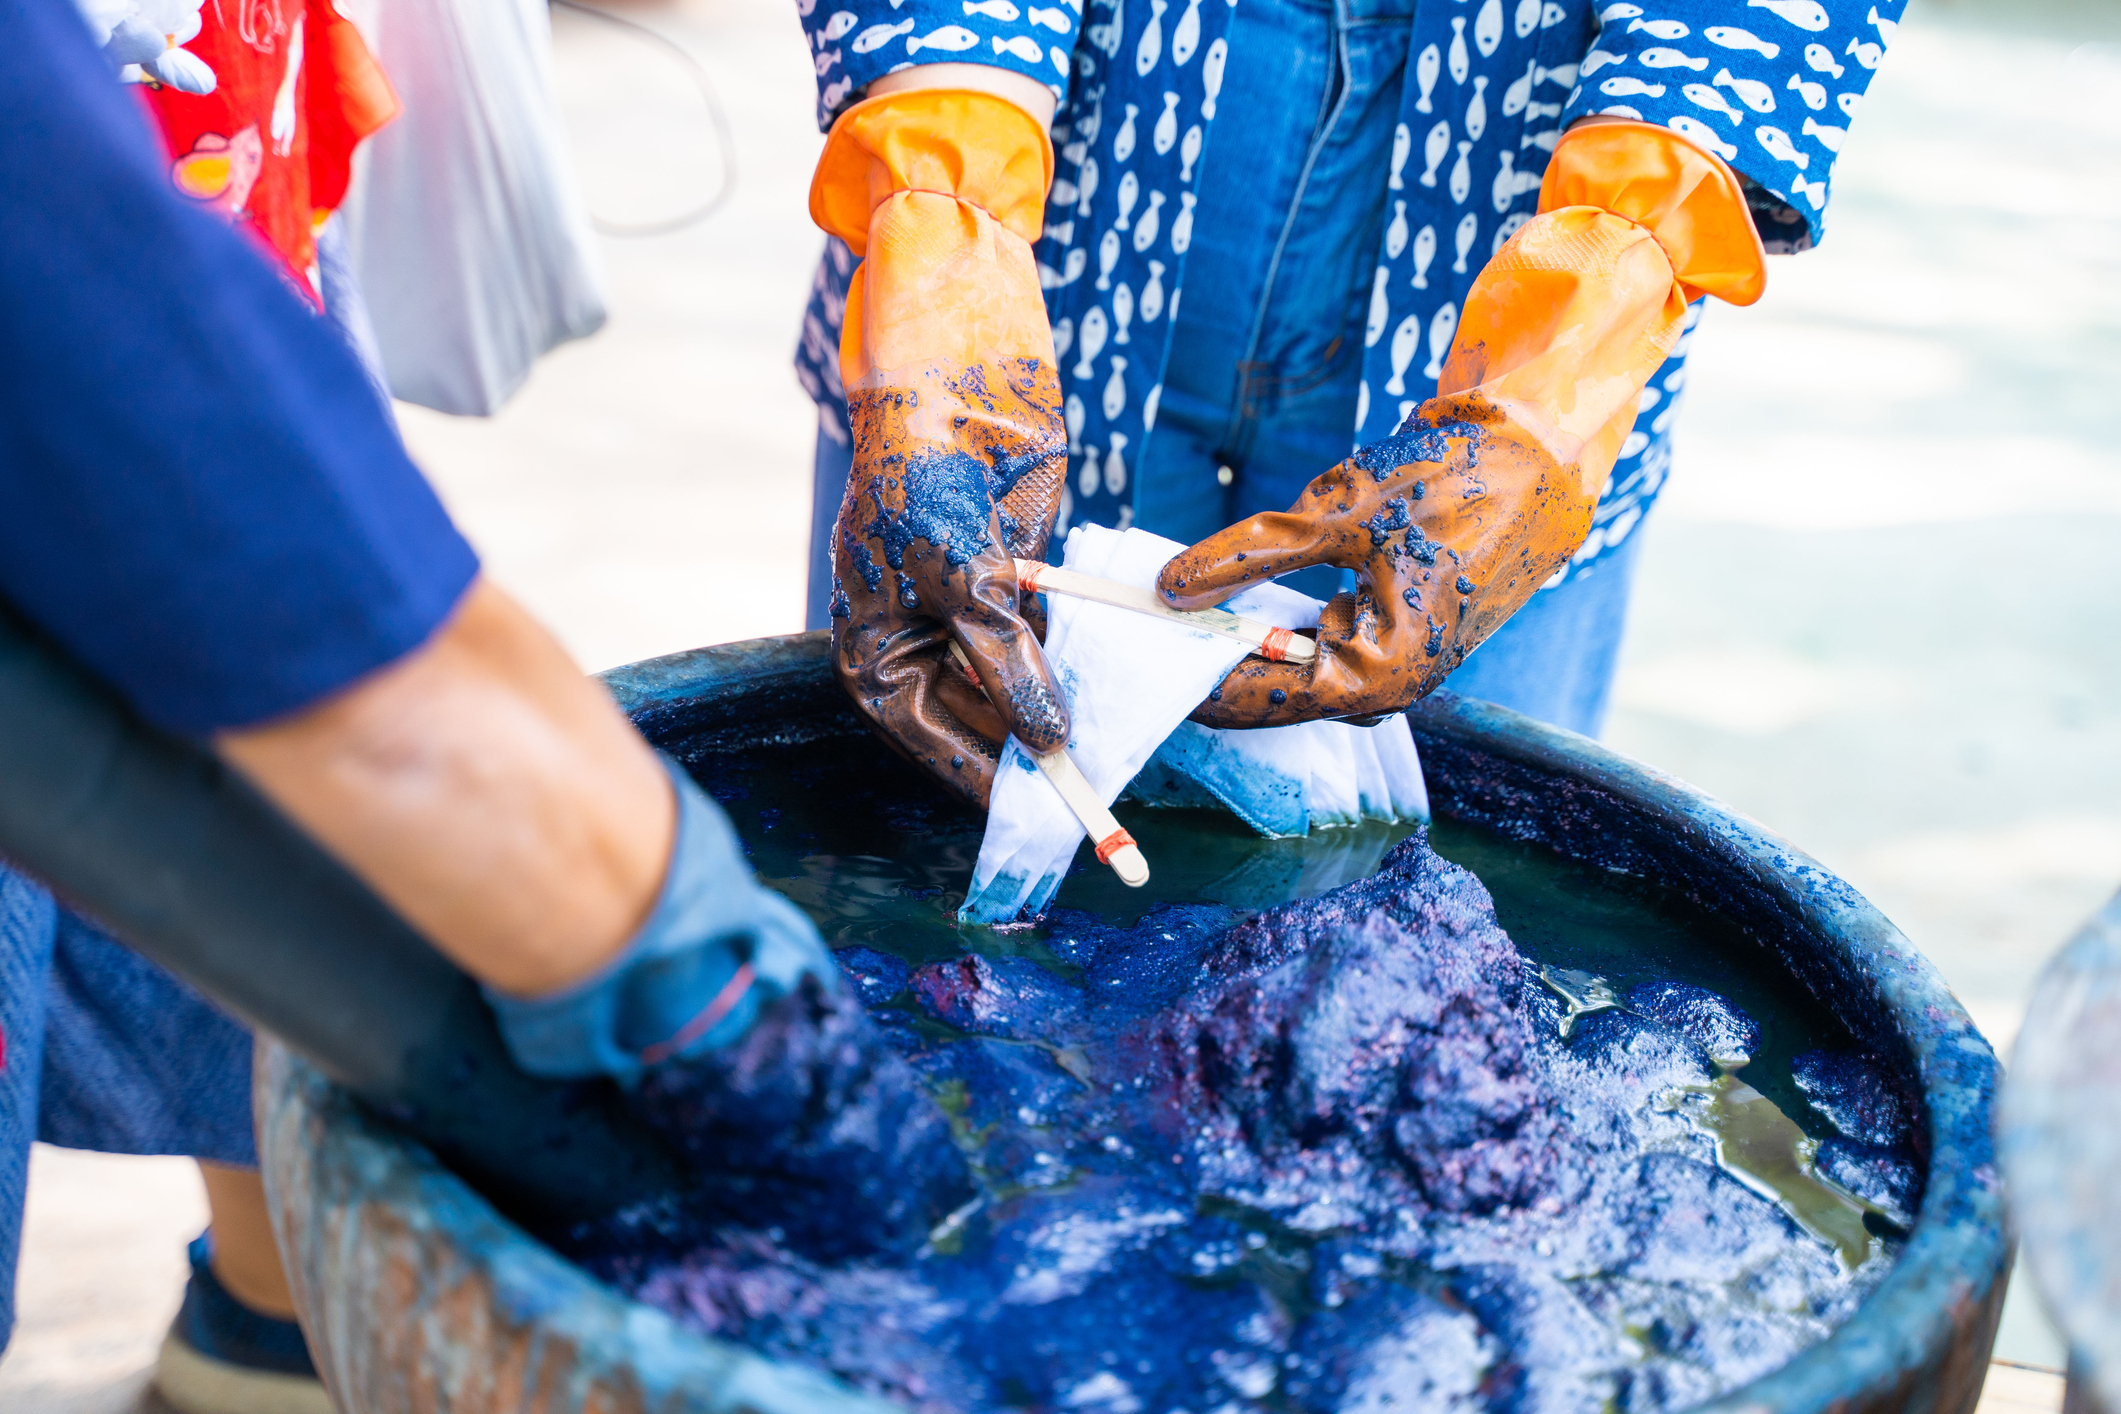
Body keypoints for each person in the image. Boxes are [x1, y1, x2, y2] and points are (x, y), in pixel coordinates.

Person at [0, 2, 848, 1409]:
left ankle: (262, 1340)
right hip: (79, 221)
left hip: (209, 164)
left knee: (263, 932)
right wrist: (692, 968)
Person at [791, 0, 1903, 796]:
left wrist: (1563, 367)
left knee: (1459, 910)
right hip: (1047, 276)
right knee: (910, 821)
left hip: (1495, 264)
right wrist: (943, 235)